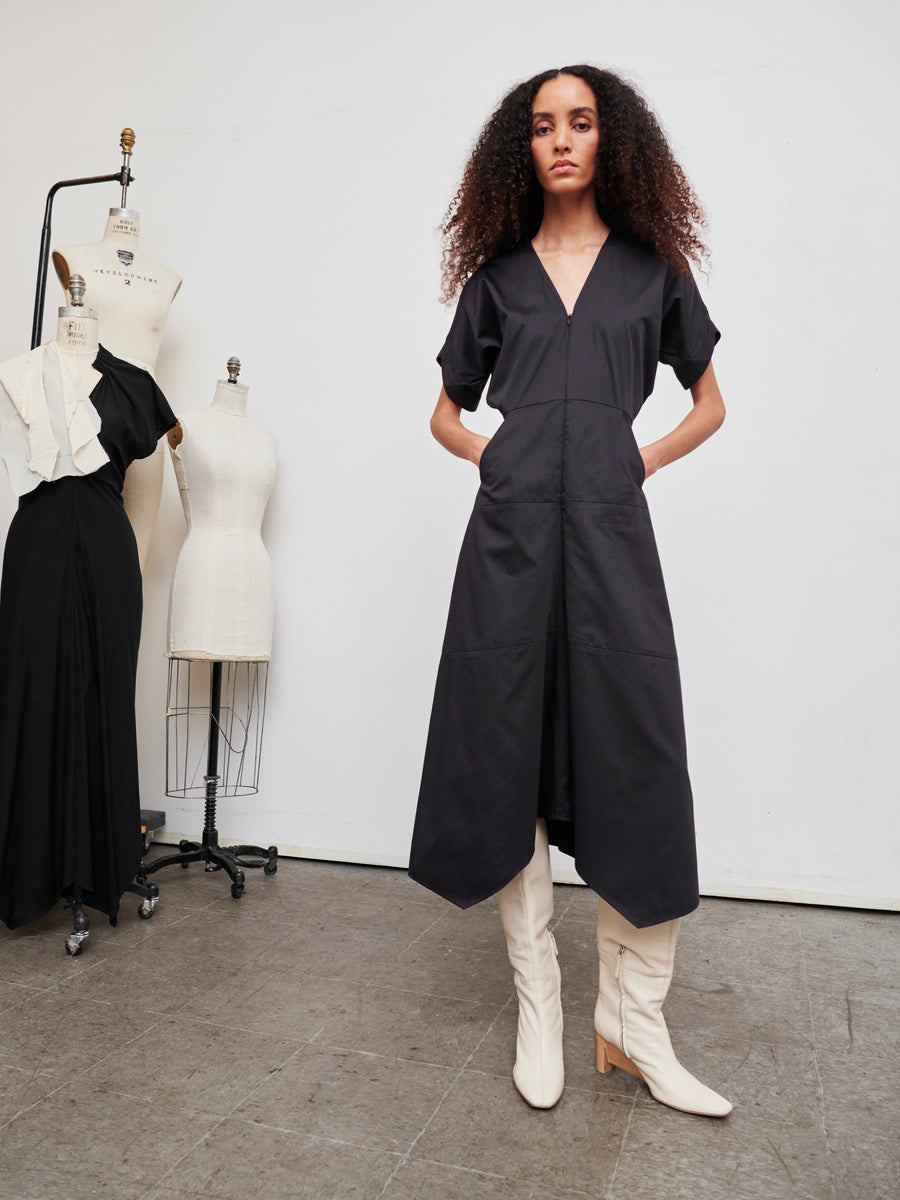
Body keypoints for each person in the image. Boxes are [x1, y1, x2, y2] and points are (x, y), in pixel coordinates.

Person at [409, 65, 731, 1117]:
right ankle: (541, 1006)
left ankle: (635, 1022)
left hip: (610, 537)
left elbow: (710, 402)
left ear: (611, 140)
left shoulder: (653, 273)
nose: (561, 141)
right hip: (508, 544)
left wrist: (637, 460)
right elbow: (445, 414)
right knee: (507, 747)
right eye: (543, 126)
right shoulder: (497, 280)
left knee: (636, 751)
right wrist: (489, 452)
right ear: (522, 147)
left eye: (580, 123)